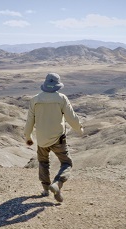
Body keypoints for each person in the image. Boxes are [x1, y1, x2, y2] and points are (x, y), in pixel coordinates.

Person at [24, 73, 83, 202]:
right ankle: (57, 183)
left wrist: (28, 136)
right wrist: (79, 128)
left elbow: (29, 121)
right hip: (58, 139)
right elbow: (71, 117)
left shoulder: (35, 99)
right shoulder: (62, 98)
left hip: (42, 139)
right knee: (67, 163)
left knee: (43, 163)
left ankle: (45, 189)